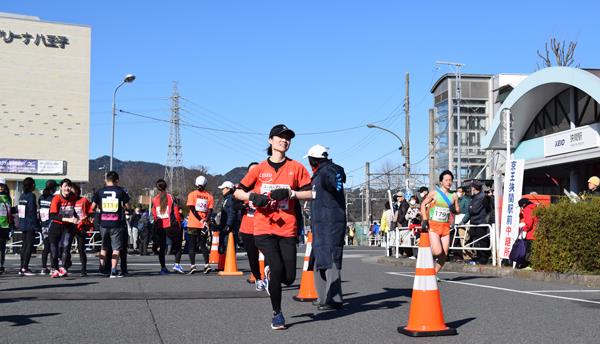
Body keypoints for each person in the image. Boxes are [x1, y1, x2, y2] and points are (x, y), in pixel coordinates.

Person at [234, 124, 313, 330]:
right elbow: (237, 192)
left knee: (288, 277)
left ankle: (270, 274)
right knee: (277, 269)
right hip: (263, 228)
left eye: (288, 138)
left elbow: (312, 193)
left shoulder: (296, 168)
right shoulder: (259, 169)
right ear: (270, 141)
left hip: (287, 228)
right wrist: (254, 197)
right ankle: (277, 314)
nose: (284, 141)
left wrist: (291, 193)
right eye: (280, 137)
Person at [305, 144, 346, 310]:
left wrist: (335, 178)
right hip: (320, 224)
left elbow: (334, 178)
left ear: (313, 160)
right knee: (320, 261)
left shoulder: (326, 171)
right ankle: (323, 298)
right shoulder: (317, 175)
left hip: (330, 223)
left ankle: (334, 299)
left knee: (331, 260)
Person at [91, 171, 130, 278]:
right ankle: (113, 270)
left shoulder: (99, 191)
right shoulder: (121, 191)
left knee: (104, 247)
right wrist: (122, 208)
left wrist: (101, 208)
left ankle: (102, 268)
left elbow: (92, 207)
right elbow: (128, 206)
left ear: (106, 180)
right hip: (116, 223)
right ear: (116, 180)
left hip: (103, 223)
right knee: (116, 248)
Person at [420, 170, 460, 273]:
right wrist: (425, 219)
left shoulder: (454, 195)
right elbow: (423, 204)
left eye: (450, 180)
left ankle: (433, 274)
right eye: (446, 180)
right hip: (433, 225)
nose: (449, 182)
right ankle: (425, 253)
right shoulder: (434, 193)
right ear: (441, 182)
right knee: (437, 251)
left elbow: (458, 211)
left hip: (445, 226)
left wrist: (454, 210)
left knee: (444, 254)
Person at [239, 162, 267, 290]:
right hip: (248, 229)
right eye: (251, 171)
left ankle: (269, 275)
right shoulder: (243, 189)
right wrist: (245, 205)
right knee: (252, 256)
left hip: (265, 227)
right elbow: (234, 206)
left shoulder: (266, 187)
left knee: (270, 254)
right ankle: (258, 279)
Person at [151, 179, 182, 274]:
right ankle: (176, 264)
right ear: (166, 186)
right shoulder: (171, 198)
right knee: (177, 246)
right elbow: (176, 212)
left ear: (157, 188)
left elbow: (154, 214)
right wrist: (179, 223)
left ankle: (163, 268)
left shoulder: (155, 199)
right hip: (172, 225)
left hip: (161, 226)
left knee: (162, 247)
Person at [48, 179, 77, 278]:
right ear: (61, 187)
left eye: (69, 186)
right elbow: (52, 215)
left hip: (67, 227)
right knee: (54, 250)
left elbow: (74, 212)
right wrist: (67, 219)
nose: (67, 188)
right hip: (56, 226)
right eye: (65, 186)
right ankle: (54, 268)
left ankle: (63, 268)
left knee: (66, 248)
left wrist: (76, 218)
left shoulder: (73, 198)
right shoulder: (56, 198)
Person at [186, 175, 214, 274]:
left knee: (192, 246)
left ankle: (192, 266)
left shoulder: (192, 194)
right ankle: (207, 265)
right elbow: (210, 210)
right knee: (203, 245)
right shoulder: (209, 196)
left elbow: (192, 209)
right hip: (204, 225)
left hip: (193, 223)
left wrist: (199, 219)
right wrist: (205, 220)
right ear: (205, 184)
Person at [18, 177, 39, 276]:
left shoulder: (22, 196)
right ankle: (25, 268)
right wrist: (36, 224)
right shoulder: (31, 196)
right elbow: (32, 211)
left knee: (24, 246)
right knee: (29, 246)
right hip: (30, 224)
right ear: (32, 185)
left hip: (22, 223)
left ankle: (21, 267)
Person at [468, 180, 490, 265]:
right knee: (476, 239)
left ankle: (483, 257)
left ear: (474, 188)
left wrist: (470, 207)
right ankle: (479, 256)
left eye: (472, 187)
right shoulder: (475, 196)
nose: (471, 189)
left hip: (480, 221)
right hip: (475, 221)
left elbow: (473, 209)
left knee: (482, 240)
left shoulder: (481, 197)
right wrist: (470, 207)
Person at [72, 184, 92, 276]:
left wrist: (87, 217)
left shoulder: (84, 200)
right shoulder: (68, 201)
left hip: (81, 227)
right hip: (70, 226)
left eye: (74, 191)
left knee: (81, 249)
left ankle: (84, 269)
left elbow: (91, 211)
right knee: (66, 247)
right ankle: (66, 264)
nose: (72, 192)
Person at [39, 180, 57, 275]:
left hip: (43, 225)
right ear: (53, 188)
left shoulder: (41, 198)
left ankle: (43, 267)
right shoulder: (53, 199)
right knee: (53, 246)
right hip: (51, 224)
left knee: (46, 247)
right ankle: (53, 267)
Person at [217, 181, 238, 254]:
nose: (222, 190)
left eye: (223, 188)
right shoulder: (226, 199)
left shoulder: (230, 199)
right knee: (223, 248)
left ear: (228, 189)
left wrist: (228, 225)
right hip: (225, 226)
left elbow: (231, 212)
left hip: (228, 228)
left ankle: (227, 264)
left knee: (227, 248)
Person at [518, 198, 539, 269]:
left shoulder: (527, 209)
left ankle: (529, 265)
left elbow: (529, 223)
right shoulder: (535, 207)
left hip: (531, 234)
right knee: (535, 250)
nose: (522, 208)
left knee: (528, 250)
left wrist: (523, 228)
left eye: (521, 206)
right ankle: (535, 265)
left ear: (524, 204)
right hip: (537, 232)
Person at [454, 186, 472, 261]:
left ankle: (470, 256)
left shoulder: (466, 200)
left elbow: (468, 212)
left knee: (464, 240)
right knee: (462, 240)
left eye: (460, 191)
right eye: (457, 191)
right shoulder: (458, 200)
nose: (458, 193)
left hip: (464, 222)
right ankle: (467, 257)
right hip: (459, 222)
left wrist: (463, 221)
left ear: (463, 192)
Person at [0, 178, 14, 274]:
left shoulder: (8, 198)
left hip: (5, 225)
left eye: (2, 185)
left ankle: (1, 265)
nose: (0, 187)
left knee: (2, 247)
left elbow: (10, 212)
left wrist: (11, 225)